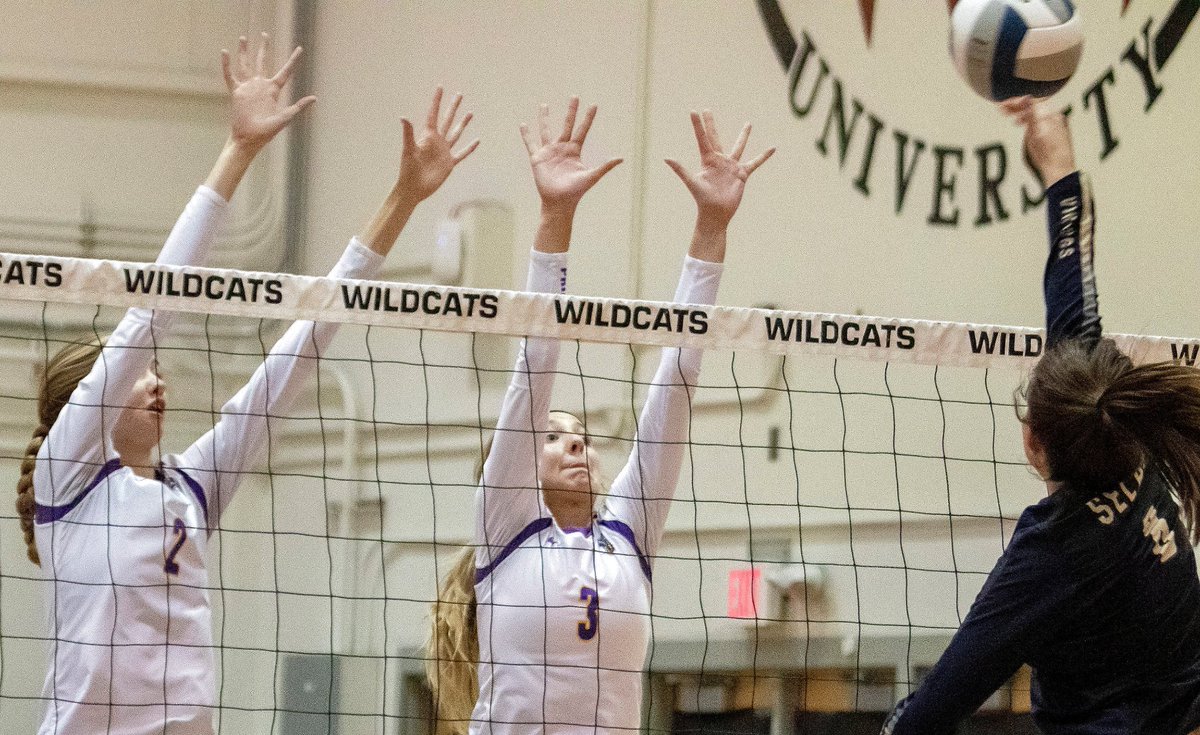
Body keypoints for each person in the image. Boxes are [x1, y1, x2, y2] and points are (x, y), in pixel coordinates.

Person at [16, 34, 479, 734]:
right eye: (138, 373)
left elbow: (304, 345)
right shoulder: (69, 476)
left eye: (155, 372)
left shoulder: (190, 488)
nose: (156, 380)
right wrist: (238, 152)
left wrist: (404, 198)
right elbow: (153, 311)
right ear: (89, 404)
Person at [426, 99, 774, 734]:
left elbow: (677, 380)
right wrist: (556, 214)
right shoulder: (505, 529)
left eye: (581, 435)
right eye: (554, 437)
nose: (576, 444)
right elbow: (535, 364)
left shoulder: (627, 539)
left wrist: (712, 226)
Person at [882, 98, 1200, 735]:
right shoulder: (1126, 429)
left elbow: (940, 701)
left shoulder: (1053, 553)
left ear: (1033, 444)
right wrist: (1058, 162)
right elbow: (1071, 266)